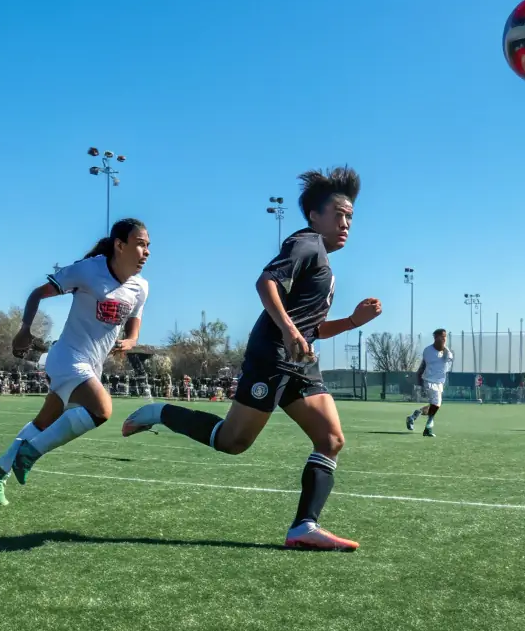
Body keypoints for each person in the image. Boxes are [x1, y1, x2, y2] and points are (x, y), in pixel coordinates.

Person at [124, 168, 381, 552]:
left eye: (350, 217)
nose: (346, 224)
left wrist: (351, 322)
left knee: (330, 439)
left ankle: (304, 526)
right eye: (339, 214)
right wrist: (291, 332)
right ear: (314, 215)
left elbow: (313, 327)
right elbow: (266, 282)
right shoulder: (306, 243)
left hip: (300, 360)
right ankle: (159, 412)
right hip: (273, 355)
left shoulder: (322, 258)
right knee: (233, 442)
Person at [0, 218, 150, 505]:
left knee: (41, 425)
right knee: (102, 409)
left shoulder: (140, 286)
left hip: (90, 366)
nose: (146, 252)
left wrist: (130, 341)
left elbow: (135, 320)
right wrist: (24, 329)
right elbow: (37, 294)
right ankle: (30, 454)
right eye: (140, 244)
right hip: (67, 358)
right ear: (120, 245)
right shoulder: (88, 270)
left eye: (148, 246)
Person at [406, 329, 454, 437]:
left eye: (445, 337)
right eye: (441, 336)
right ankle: (428, 428)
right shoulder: (428, 351)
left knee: (434, 405)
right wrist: (419, 381)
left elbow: (447, 358)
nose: (444, 339)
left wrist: (445, 349)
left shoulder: (447, 353)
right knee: (436, 404)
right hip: (429, 381)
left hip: (440, 383)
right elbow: (423, 365)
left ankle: (414, 416)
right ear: (435, 338)